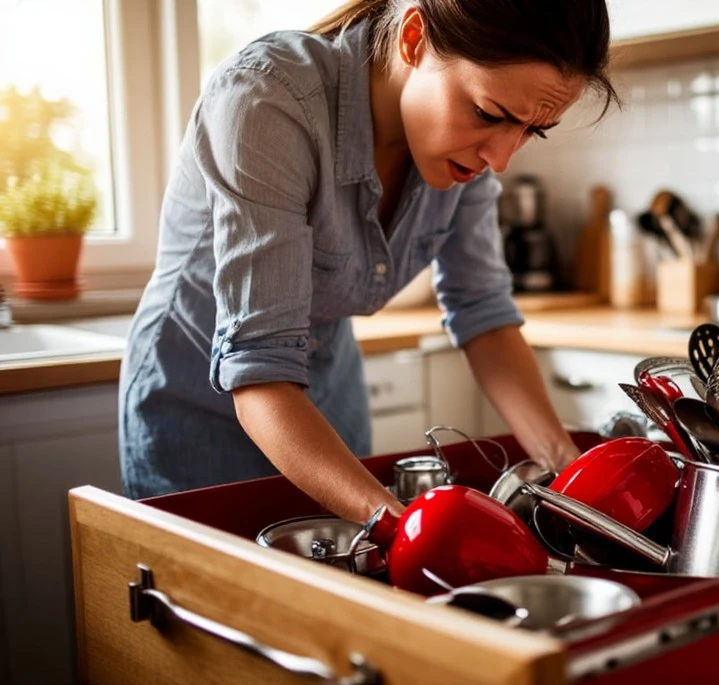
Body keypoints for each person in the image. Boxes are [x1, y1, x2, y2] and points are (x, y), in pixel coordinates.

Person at [118, 0, 618, 524]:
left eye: (529, 131)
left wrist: (569, 479)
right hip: (197, 423)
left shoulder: (463, 158)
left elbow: (484, 315)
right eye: (489, 114)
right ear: (414, 39)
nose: (501, 158)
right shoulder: (268, 99)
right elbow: (259, 371)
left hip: (328, 411)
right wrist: (403, 529)